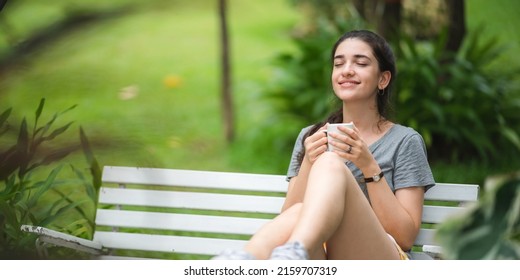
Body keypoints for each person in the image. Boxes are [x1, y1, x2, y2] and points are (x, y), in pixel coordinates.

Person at [213, 29, 435, 260]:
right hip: (321, 258)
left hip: (381, 259)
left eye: (360, 63)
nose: (346, 70)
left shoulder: (405, 141)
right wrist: (309, 161)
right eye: (339, 64)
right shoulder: (310, 137)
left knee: (330, 162)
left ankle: (270, 256)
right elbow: (289, 218)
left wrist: (368, 166)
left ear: (383, 79)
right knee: (301, 209)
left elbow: (405, 237)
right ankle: (242, 262)